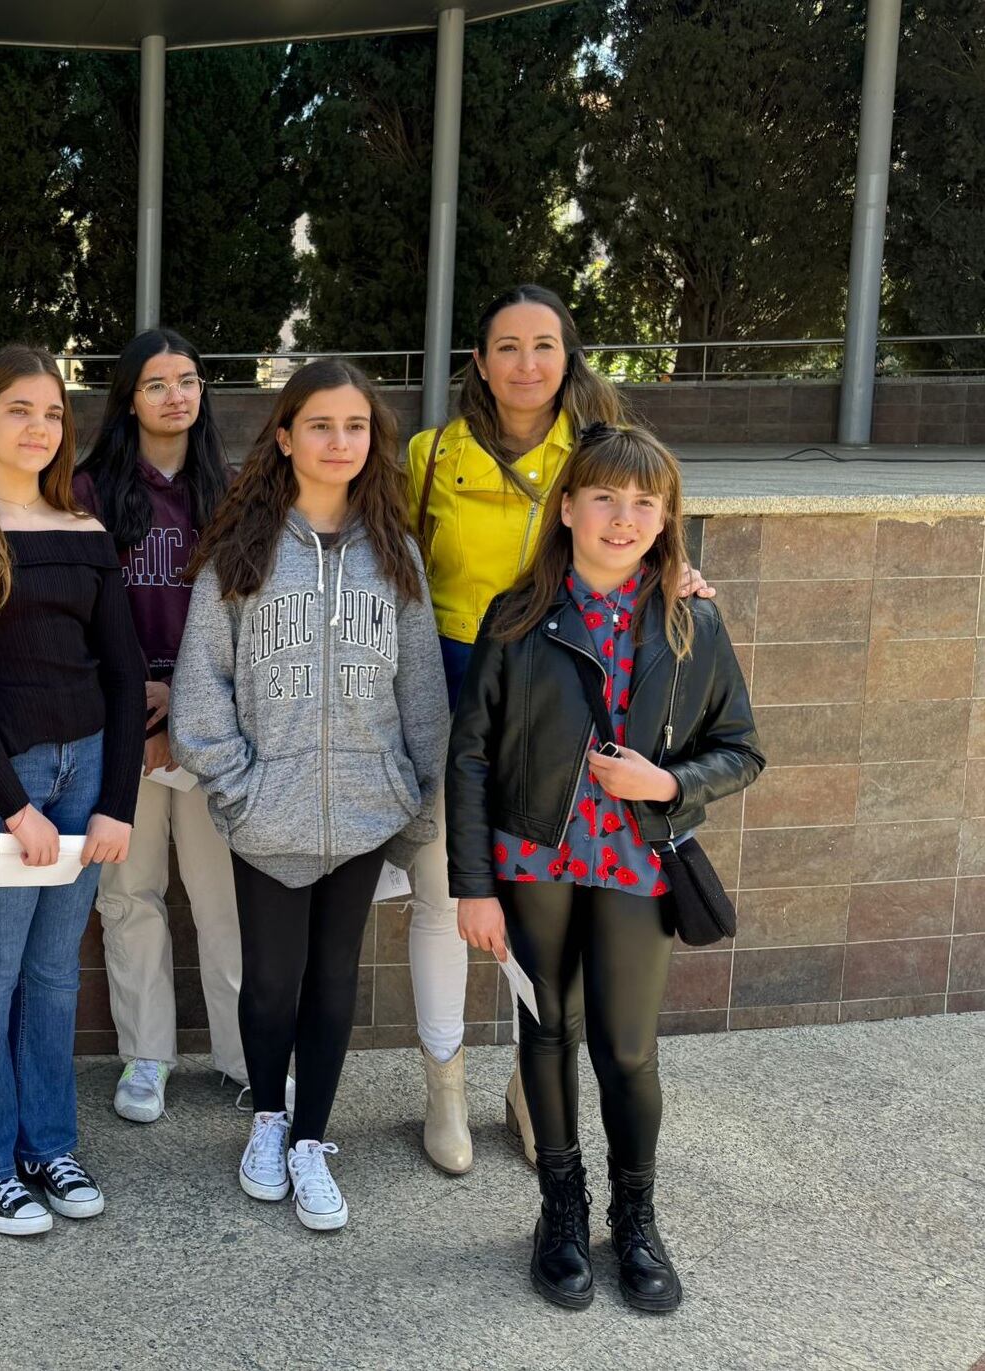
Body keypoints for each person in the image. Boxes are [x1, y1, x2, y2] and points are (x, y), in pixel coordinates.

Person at [448, 423, 763, 1311]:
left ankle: (635, 1217)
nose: (623, 518)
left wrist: (665, 779)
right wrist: (472, 884)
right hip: (533, 858)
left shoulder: (692, 620)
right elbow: (471, 756)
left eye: (643, 503)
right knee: (547, 1028)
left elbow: (742, 748)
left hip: (636, 860)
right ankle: (560, 1208)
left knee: (626, 1048)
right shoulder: (516, 616)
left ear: (666, 518)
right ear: (570, 507)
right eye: (604, 498)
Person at [171, 358, 448, 1232]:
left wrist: (414, 793)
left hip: (366, 809)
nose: (339, 442)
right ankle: (268, 1119)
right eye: (320, 425)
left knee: (335, 982)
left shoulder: (395, 553)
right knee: (271, 982)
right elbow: (200, 689)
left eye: (356, 427)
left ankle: (312, 1141)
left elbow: (424, 691)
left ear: (374, 441)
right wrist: (240, 791)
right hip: (268, 814)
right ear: (285, 438)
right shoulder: (240, 552)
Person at [0, 344, 145, 1236]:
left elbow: (124, 676)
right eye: (19, 410)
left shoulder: (85, 536)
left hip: (84, 776)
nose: (39, 428)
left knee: (53, 971)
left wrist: (115, 800)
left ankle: (48, 1144)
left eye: (52, 414)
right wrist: (16, 807)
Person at [403, 284, 641, 1173]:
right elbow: (388, 559)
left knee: (554, 898)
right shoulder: (430, 455)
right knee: (446, 893)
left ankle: (530, 1085)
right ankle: (446, 1090)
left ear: (569, 357)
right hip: (453, 681)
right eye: (508, 345)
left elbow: (647, 537)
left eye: (545, 345)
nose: (527, 363)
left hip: (565, 691)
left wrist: (685, 578)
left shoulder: (601, 454)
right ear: (479, 360)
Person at [73, 329, 244, 1122]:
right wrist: (136, 705)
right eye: (157, 383)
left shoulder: (237, 491)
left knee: (222, 898)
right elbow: (77, 615)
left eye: (190, 379)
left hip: (213, 725)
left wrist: (190, 703)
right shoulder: (88, 490)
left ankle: (247, 1056)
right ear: (129, 398)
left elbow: (253, 619)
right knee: (130, 891)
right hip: (121, 725)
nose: (176, 395)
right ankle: (146, 1057)